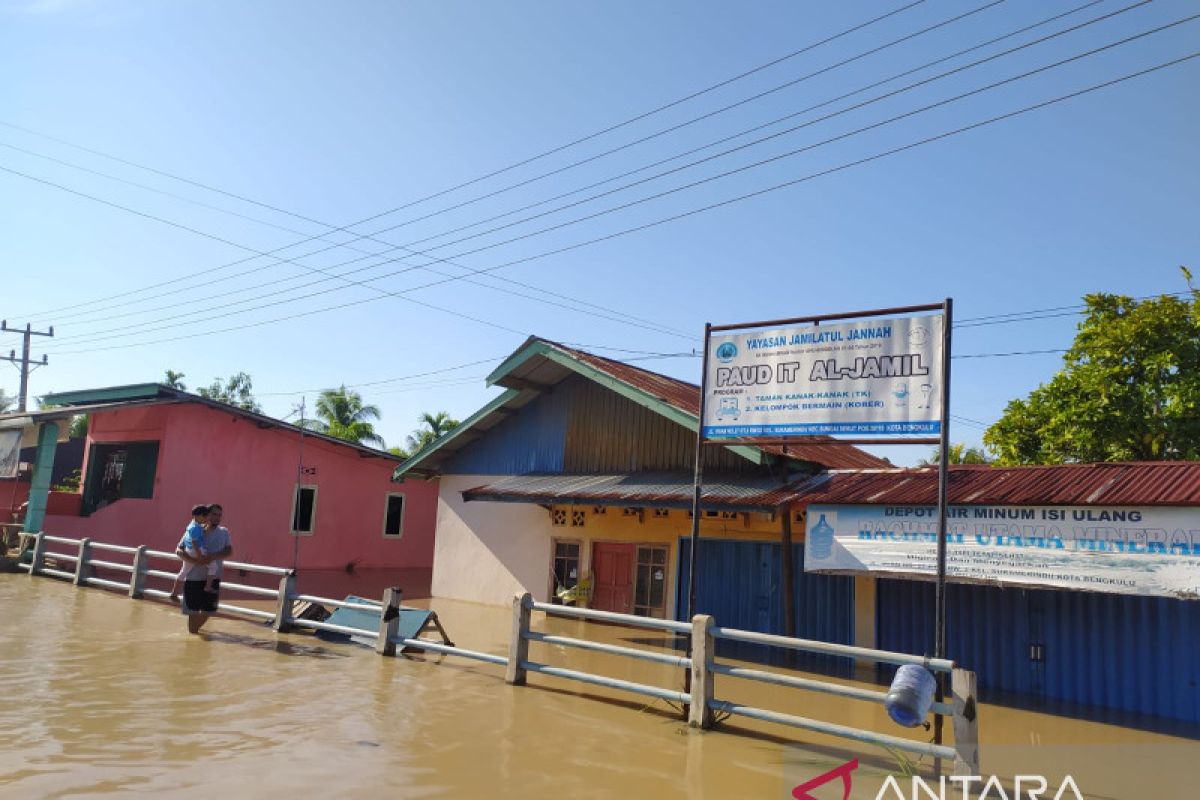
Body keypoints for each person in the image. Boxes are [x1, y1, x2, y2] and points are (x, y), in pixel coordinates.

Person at [176, 503, 233, 635]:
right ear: (207, 515)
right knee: (192, 612)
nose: (217, 518)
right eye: (214, 514)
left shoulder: (224, 532)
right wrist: (196, 561)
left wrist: (212, 557)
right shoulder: (194, 530)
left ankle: (196, 636)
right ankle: (193, 639)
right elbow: (179, 550)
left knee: (209, 611)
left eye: (220, 515)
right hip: (194, 578)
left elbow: (229, 551)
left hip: (213, 578)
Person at [170, 504, 218, 600]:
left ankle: (174, 593)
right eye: (204, 516)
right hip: (196, 550)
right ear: (197, 516)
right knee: (213, 566)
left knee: (183, 572)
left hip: (189, 551)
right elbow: (195, 542)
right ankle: (207, 588)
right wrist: (200, 555)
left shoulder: (192, 526)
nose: (206, 518)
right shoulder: (195, 528)